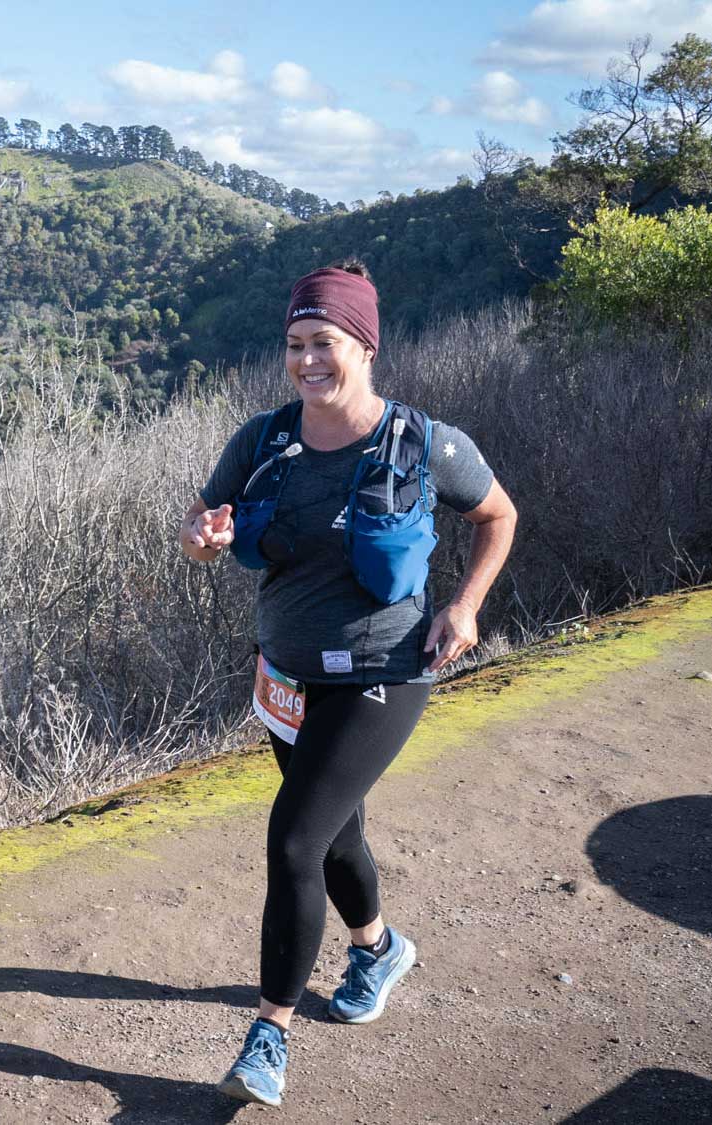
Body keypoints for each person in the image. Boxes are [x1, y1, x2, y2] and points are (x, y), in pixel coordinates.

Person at [177, 261, 517, 1107]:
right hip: (285, 677)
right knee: (333, 840)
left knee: (293, 839)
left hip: (382, 672)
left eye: (323, 342)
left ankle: (268, 1037)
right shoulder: (262, 440)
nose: (305, 360)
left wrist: (465, 607)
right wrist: (199, 538)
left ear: (365, 345)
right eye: (294, 344)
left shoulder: (425, 442)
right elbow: (203, 515)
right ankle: (378, 948)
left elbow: (498, 516)